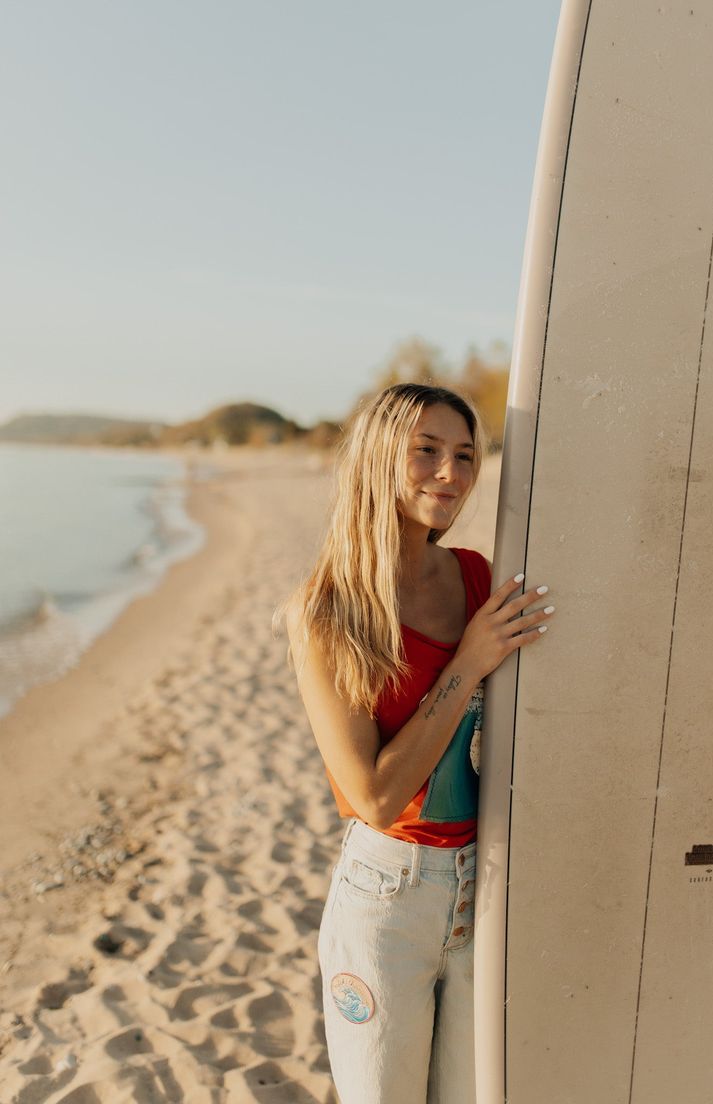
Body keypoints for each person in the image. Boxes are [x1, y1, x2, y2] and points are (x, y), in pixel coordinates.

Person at [283, 383, 554, 1103]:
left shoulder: (477, 578)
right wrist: (468, 661)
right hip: (387, 899)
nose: (452, 474)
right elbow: (374, 796)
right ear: (378, 459)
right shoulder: (326, 610)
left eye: (465, 455)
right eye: (426, 451)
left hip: (486, 886)